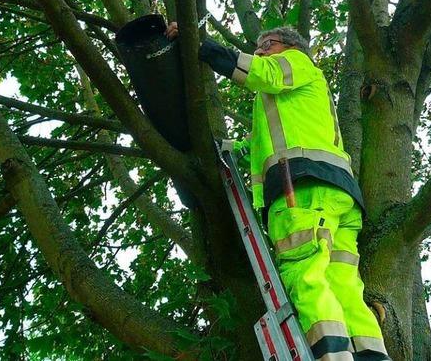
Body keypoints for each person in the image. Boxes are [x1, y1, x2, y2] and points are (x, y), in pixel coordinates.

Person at [166, 23, 390, 361]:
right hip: (338, 195)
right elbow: (263, 141)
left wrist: (201, 46)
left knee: (306, 276)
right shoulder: (295, 95)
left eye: (266, 45)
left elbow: (260, 72)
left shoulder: (296, 63)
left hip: (299, 189)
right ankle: (372, 356)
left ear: (288, 46)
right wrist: (231, 149)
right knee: (343, 285)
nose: (259, 51)